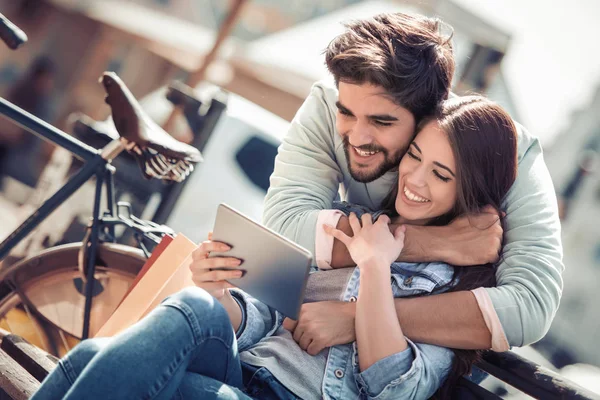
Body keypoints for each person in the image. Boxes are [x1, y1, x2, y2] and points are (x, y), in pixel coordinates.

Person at [32, 95, 518, 400]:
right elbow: (266, 315)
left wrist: (376, 268)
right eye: (415, 156)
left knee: (106, 364)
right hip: (243, 371)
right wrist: (222, 291)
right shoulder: (355, 226)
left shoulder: (459, 295)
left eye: (441, 173)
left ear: (471, 190)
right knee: (194, 306)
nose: (414, 179)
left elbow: (393, 389)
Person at [263, 12, 563, 355]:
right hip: (295, 347)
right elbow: (283, 227)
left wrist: (361, 317)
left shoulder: (509, 153)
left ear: (428, 117)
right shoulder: (327, 105)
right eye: (347, 114)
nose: (357, 136)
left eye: (382, 121)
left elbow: (530, 307)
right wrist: (436, 242)